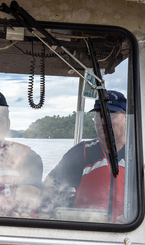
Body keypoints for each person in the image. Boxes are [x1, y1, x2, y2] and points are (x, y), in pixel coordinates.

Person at [39, 90, 129, 222]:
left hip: (129, 231)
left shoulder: (138, 155)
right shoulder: (81, 152)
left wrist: (135, 220)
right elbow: (51, 185)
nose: (103, 121)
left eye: (112, 115)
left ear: (125, 117)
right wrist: (43, 215)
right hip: (85, 229)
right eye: (98, 115)